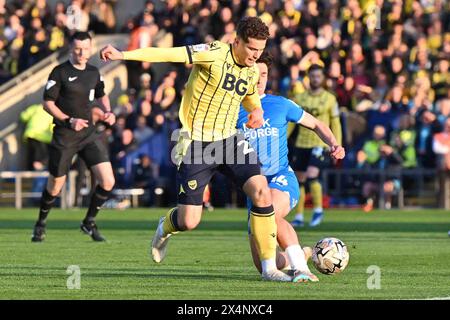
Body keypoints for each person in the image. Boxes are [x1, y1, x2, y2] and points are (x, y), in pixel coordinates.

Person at [100, 16, 292, 282]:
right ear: (236, 41)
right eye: (251, 48)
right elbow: (167, 53)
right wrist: (124, 54)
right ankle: (165, 226)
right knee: (189, 221)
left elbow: (248, 96)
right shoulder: (213, 53)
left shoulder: (250, 69)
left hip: (230, 140)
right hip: (197, 143)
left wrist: (256, 111)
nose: (256, 55)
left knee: (261, 192)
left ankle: (269, 268)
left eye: (260, 50)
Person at [237, 53, 345, 282]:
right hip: (253, 188)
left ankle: (300, 269)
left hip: (280, 178)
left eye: (263, 74)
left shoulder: (280, 104)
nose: (259, 79)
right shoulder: (231, 110)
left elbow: (315, 123)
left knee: (271, 215)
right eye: (254, 74)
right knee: (267, 263)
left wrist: (334, 143)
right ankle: (302, 255)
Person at [31, 32, 116, 242]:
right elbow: (47, 103)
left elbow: (101, 93)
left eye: (85, 48)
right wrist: (69, 120)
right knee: (55, 186)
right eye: (78, 48)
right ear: (71, 48)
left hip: (88, 134)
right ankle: (40, 223)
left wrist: (108, 111)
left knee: (108, 181)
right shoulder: (59, 72)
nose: (81, 53)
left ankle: (88, 223)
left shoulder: (94, 72)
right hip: (65, 135)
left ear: (90, 48)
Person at [290, 64, 343, 227]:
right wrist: (281, 138)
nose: (315, 79)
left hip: (320, 144)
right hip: (301, 143)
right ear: (308, 78)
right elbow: (291, 123)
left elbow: (336, 123)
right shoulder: (299, 98)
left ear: (323, 78)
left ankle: (318, 209)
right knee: (300, 179)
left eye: (318, 76)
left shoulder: (330, 99)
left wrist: (336, 145)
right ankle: (299, 215)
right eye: (312, 76)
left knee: (312, 175)